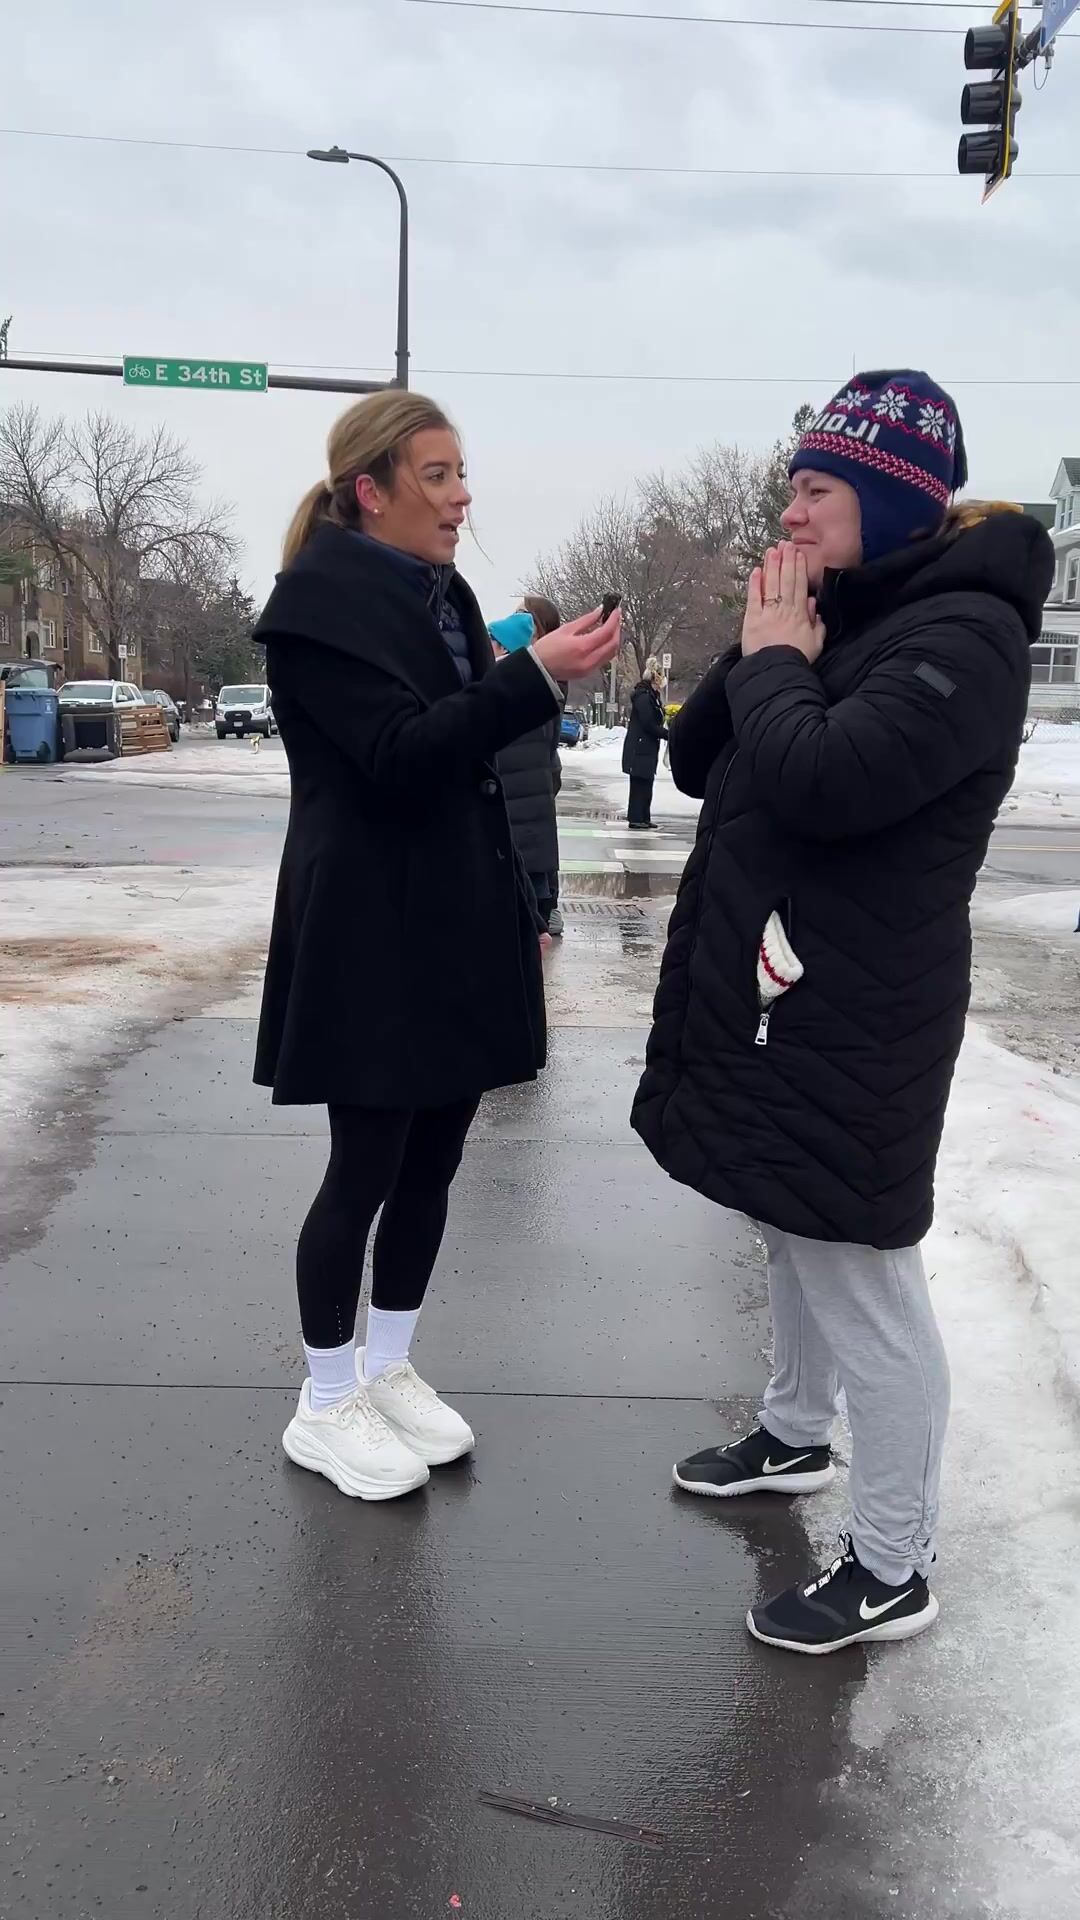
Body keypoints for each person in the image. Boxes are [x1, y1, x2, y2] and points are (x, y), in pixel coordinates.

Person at [632, 370, 1053, 1653]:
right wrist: (764, 639)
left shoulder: (966, 637)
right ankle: (793, 1431)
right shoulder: (848, 614)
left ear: (890, 498)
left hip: (863, 1011)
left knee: (859, 1270)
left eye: (816, 489)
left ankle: (893, 1565)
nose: (792, 510)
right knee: (788, 1218)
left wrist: (779, 660)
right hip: (787, 986)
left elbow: (828, 778)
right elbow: (703, 760)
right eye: (793, 488)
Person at [252, 391, 621, 1502]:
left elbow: (465, 755)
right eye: (438, 475)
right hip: (369, 928)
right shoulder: (317, 610)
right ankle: (325, 1400)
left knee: (435, 1159)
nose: (463, 497)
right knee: (364, 1167)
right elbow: (401, 756)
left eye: (463, 473)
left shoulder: (442, 596)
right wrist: (532, 678)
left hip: (455, 918)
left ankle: (388, 1364)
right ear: (371, 491)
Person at [489, 595, 566, 936]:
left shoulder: (522, 680)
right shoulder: (539, 676)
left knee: (526, 877)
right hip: (532, 792)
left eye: (525, 615)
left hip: (520, 793)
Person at [622, 659, 667, 829]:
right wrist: (667, 734)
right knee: (639, 783)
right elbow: (648, 724)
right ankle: (636, 817)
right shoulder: (643, 697)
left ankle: (644, 816)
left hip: (648, 747)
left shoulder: (652, 697)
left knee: (647, 782)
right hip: (640, 747)